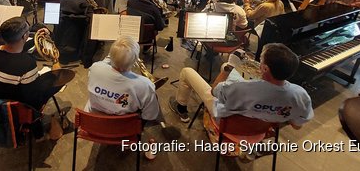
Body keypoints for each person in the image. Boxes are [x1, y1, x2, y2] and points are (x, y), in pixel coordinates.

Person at [169, 43, 314, 130]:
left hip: (227, 122)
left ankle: (180, 107)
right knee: (226, 66)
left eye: (261, 61)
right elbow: (296, 125)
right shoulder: (300, 95)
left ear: (264, 69)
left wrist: (230, 68)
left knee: (187, 72)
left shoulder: (241, 89)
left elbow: (214, 90)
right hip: (260, 130)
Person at [0, 17, 61, 108]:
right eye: (28, 31)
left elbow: (16, 49)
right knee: (60, 78)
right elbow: (33, 99)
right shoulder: (27, 64)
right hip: (19, 108)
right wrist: (56, 68)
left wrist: (36, 39)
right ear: (25, 36)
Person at [85, 36, 159, 121]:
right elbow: (150, 116)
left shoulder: (95, 68)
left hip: (93, 120)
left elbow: (104, 64)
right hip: (122, 127)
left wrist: (116, 53)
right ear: (134, 61)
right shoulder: (146, 85)